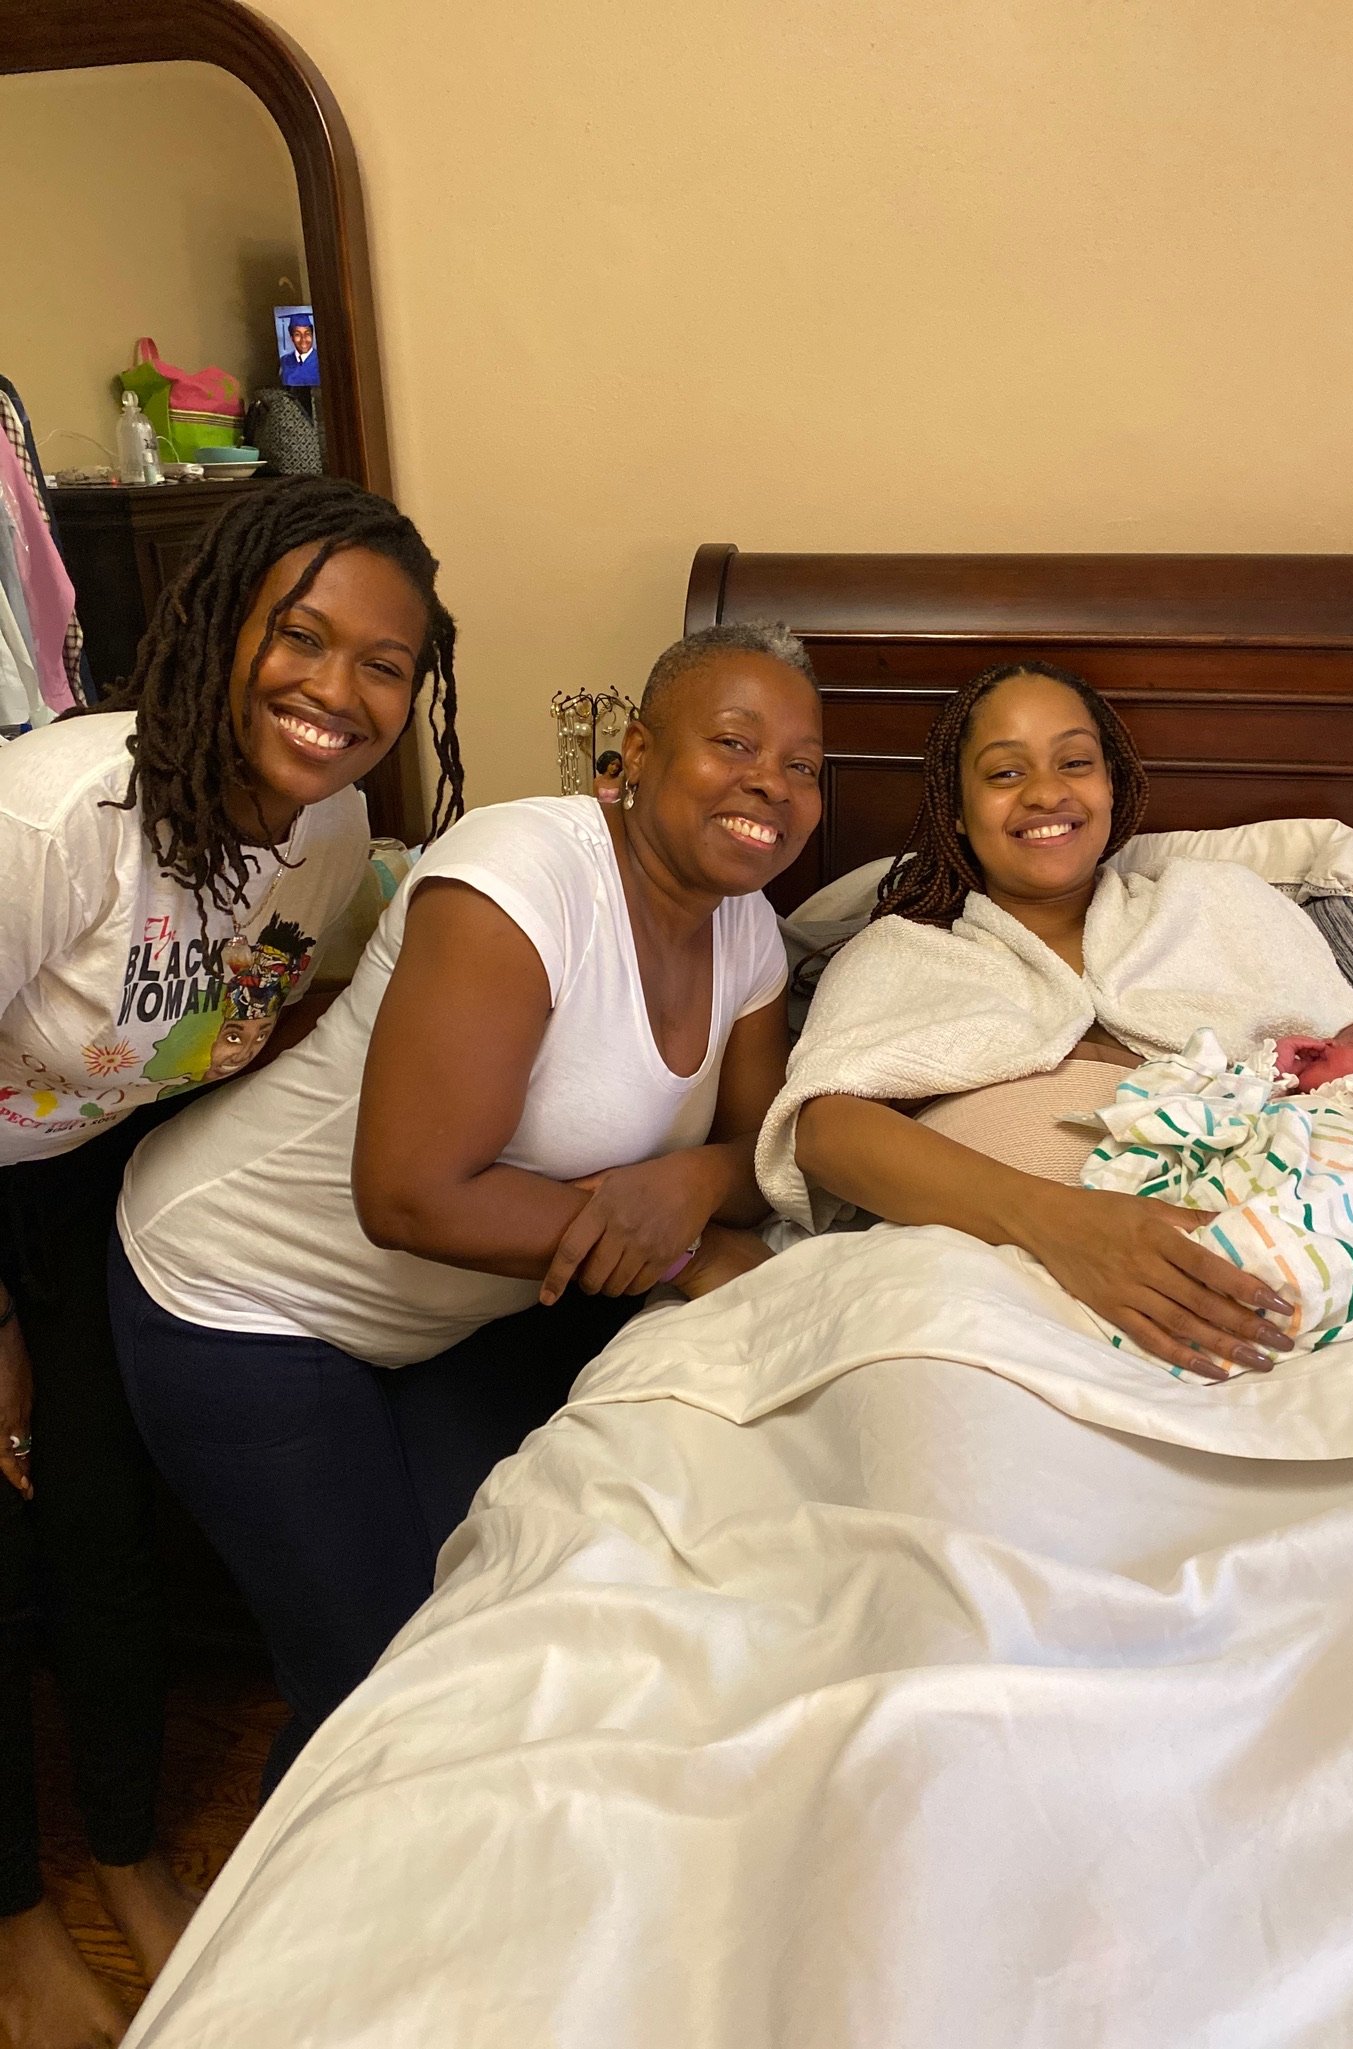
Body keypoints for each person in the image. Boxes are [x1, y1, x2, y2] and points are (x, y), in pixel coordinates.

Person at [109, 622, 825, 1791]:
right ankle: (301, 1948)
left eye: (803, 764)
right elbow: (409, 1195)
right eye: (735, 742)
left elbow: (764, 1147)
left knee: (498, 1613)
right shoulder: (521, 876)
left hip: (443, 1327)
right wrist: (678, 1244)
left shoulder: (743, 927)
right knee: (378, 1697)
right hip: (241, 1290)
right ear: (634, 752)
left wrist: (691, 1183)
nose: (772, 784)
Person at [0, 475, 463, 2046]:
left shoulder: (328, 837)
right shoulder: (61, 815)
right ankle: (16, 1927)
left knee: (106, 1529)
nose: (338, 692)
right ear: (221, 631)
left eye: (384, 665)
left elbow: (267, 1018)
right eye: (302, 636)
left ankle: (123, 1852)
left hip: (98, 1184)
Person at [766, 660, 1353, 1382]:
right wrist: (1062, 1225)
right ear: (954, 810)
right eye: (1002, 774)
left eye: (1074, 762)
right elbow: (825, 1132)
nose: (1045, 792)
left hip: (1270, 1296)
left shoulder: (1222, 906)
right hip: (978, 1312)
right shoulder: (898, 953)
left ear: (1111, 783)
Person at [1075, 1012, 1353, 1375]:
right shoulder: (1279, 1101)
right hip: (1256, 1192)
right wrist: (1266, 1072)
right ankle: (1228, 1272)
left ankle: (1311, 1291)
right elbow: (1217, 1108)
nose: (1327, 1042)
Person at [277, 314, 319, 388]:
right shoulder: (285, 361)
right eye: (297, 334)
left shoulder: (321, 360)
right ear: (292, 338)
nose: (303, 339)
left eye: (307, 334)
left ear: (312, 335)